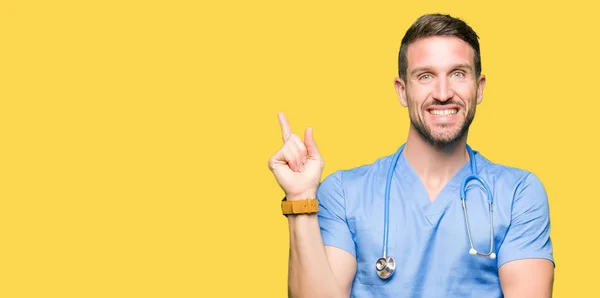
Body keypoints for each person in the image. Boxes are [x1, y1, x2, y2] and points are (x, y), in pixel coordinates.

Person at [267, 13, 555, 298]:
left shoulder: (519, 193)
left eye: (458, 74)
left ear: (478, 88)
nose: (443, 93)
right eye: (425, 76)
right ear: (402, 91)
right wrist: (300, 198)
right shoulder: (344, 193)